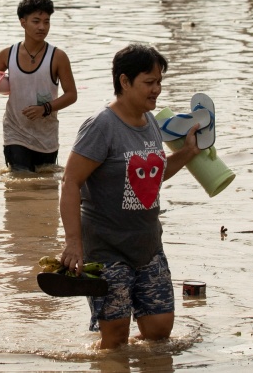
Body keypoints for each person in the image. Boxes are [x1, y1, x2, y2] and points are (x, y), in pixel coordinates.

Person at [58, 44, 202, 349]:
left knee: (160, 331)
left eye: (159, 82)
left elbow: (152, 175)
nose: (157, 90)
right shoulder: (101, 126)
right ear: (125, 82)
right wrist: (73, 242)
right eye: (149, 83)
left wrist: (188, 152)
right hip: (107, 248)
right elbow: (70, 182)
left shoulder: (150, 121)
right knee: (115, 337)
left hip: (147, 244)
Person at [0, 0, 77, 172]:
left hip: (46, 135)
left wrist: (45, 109)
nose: (42, 27)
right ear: (22, 22)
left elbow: (72, 95)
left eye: (46, 22)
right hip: (15, 132)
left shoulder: (58, 57)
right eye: (36, 21)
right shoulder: (7, 54)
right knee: (21, 179)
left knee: (45, 186)